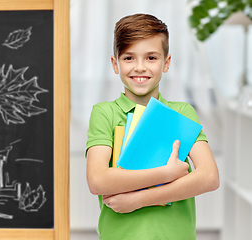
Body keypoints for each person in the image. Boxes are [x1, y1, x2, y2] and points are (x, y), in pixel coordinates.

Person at [85, 13, 219, 240]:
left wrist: (138, 199)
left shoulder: (181, 112)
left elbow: (209, 177)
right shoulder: (105, 113)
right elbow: (98, 180)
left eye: (151, 58)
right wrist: (167, 173)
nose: (139, 67)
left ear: (166, 63)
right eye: (128, 58)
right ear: (115, 64)